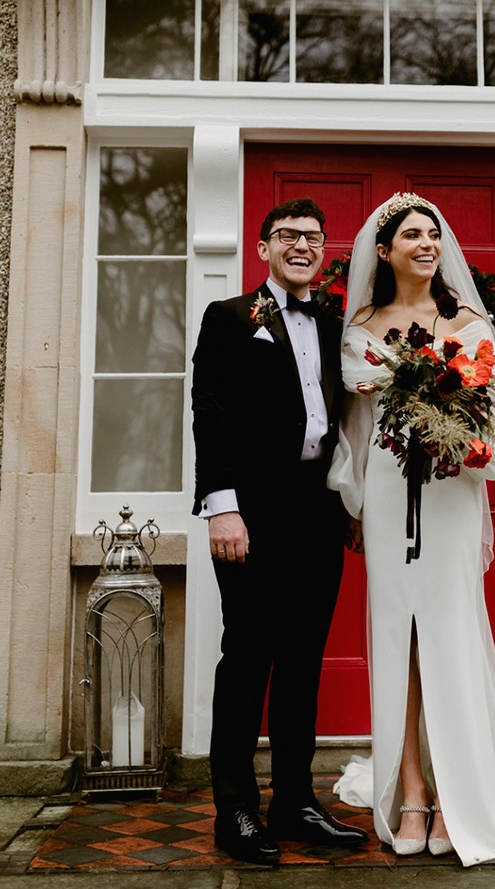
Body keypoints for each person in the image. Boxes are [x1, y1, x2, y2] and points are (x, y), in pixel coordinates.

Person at [327, 192, 495, 868]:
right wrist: (355, 500)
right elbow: (356, 418)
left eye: (434, 233)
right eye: (412, 234)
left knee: (449, 631)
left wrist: (467, 442)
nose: (427, 243)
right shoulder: (363, 321)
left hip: (450, 493)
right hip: (391, 488)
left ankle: (462, 792)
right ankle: (411, 787)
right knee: (398, 636)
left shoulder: (469, 323)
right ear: (384, 248)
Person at [191, 197, 369, 864]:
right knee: (246, 659)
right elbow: (211, 411)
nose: (301, 244)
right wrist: (222, 504)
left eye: (312, 236)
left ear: (323, 249)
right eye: (288, 234)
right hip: (251, 512)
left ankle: (293, 801)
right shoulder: (231, 318)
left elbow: (350, 426)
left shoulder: (333, 322)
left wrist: (351, 505)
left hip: (318, 512)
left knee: (302, 660)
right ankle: (234, 810)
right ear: (264, 245)